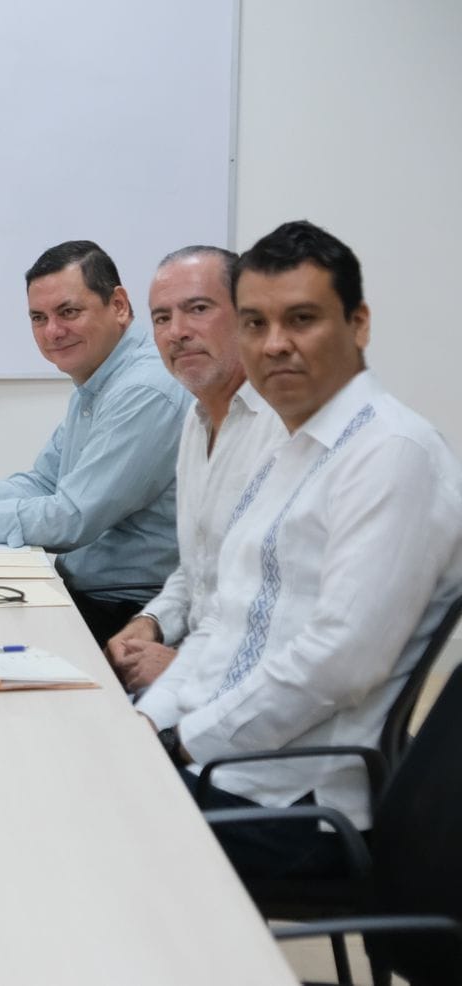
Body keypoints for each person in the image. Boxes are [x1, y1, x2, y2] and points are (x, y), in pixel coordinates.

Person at [136, 221, 462, 878]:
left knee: (73, 823)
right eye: (255, 323)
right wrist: (146, 725)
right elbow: (222, 621)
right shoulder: (290, 450)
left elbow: (337, 664)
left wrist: (182, 742)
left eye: (302, 319)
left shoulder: (391, 453)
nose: (275, 344)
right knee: (64, 773)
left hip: (296, 801)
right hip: (226, 762)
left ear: (358, 324)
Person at [0, 240, 191, 643]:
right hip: (88, 592)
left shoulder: (143, 390)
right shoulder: (99, 380)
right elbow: (43, 481)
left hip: (128, 612)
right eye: (39, 318)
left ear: (118, 305)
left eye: (68, 312)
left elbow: (71, 519)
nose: (53, 331)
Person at [104, 247, 286, 692]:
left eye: (198, 309)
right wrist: (150, 622)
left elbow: (292, 613)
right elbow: (198, 572)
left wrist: (185, 669)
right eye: (162, 318)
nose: (177, 332)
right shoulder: (196, 418)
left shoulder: (286, 429)